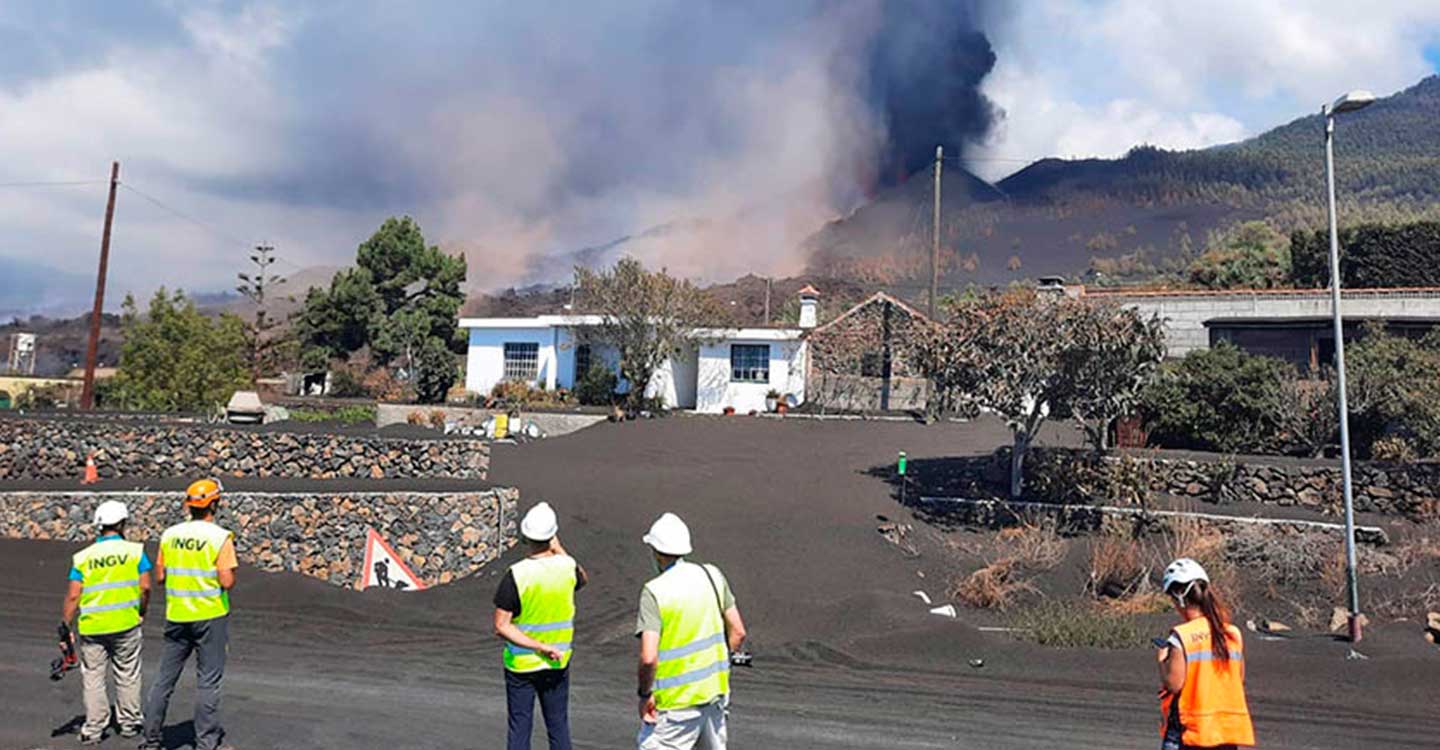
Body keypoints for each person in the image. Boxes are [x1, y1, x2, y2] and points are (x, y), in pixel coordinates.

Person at [634, 513, 747, 750]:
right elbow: (738, 632)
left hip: (675, 707)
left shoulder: (655, 591)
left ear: (655, 551)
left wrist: (645, 695)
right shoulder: (712, 575)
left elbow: (648, 657)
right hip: (714, 699)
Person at [141, 479, 238, 750]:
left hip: (177, 614)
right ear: (214, 504)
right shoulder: (220, 537)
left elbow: (160, 576)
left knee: (164, 679)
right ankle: (207, 743)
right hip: (210, 615)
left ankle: (150, 739)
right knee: (208, 681)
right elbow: (227, 581)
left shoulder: (170, 535)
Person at [493, 502, 589, 750]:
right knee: (558, 725)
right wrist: (559, 550)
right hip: (557, 661)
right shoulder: (567, 566)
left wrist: (538, 646)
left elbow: (502, 625)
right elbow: (582, 578)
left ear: (526, 536)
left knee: (520, 727)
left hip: (522, 666)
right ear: (552, 536)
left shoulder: (516, 574)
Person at [62, 499, 151, 744]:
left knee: (93, 678)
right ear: (122, 523)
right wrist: (141, 611)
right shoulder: (135, 552)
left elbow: (73, 595)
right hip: (126, 623)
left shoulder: (83, 557)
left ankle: (94, 728)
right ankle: (130, 722)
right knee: (128, 674)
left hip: (92, 626)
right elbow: (145, 587)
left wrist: (65, 626)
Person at [1157, 558, 1255, 750]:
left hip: (1190, 732)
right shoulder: (1231, 633)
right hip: (1225, 732)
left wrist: (1162, 659)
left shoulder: (1182, 636)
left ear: (1179, 596)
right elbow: (1238, 677)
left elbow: (1174, 683)